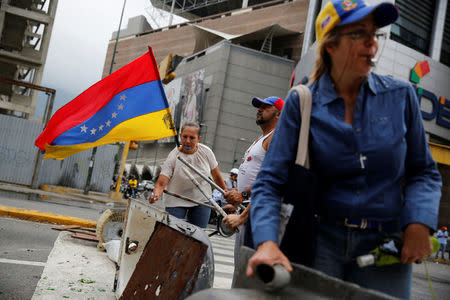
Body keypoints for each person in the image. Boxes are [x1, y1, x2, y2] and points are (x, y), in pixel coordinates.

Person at [246, 1, 442, 299]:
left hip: (386, 249)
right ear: (331, 45)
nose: (372, 45)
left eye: (376, 35)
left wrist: (419, 221)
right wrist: (267, 242)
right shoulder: (302, 102)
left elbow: (424, 172)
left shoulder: (401, 97)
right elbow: (270, 182)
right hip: (319, 244)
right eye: (359, 35)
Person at [222, 96, 283, 286]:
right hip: (246, 208)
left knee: (248, 270)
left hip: (257, 211)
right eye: (259, 107)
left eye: (266, 107)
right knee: (241, 266)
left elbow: (271, 179)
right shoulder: (261, 139)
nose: (260, 109)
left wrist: (244, 195)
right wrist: (236, 202)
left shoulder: (276, 137)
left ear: (279, 113)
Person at [149, 122, 227, 229]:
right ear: (180, 136)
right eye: (184, 137)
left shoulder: (206, 152)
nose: (187, 141)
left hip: (201, 199)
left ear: (198, 138)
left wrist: (226, 195)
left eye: (192, 138)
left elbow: (216, 176)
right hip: (176, 198)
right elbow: (162, 182)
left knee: (199, 237)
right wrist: (155, 194)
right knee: (173, 232)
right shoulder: (173, 155)